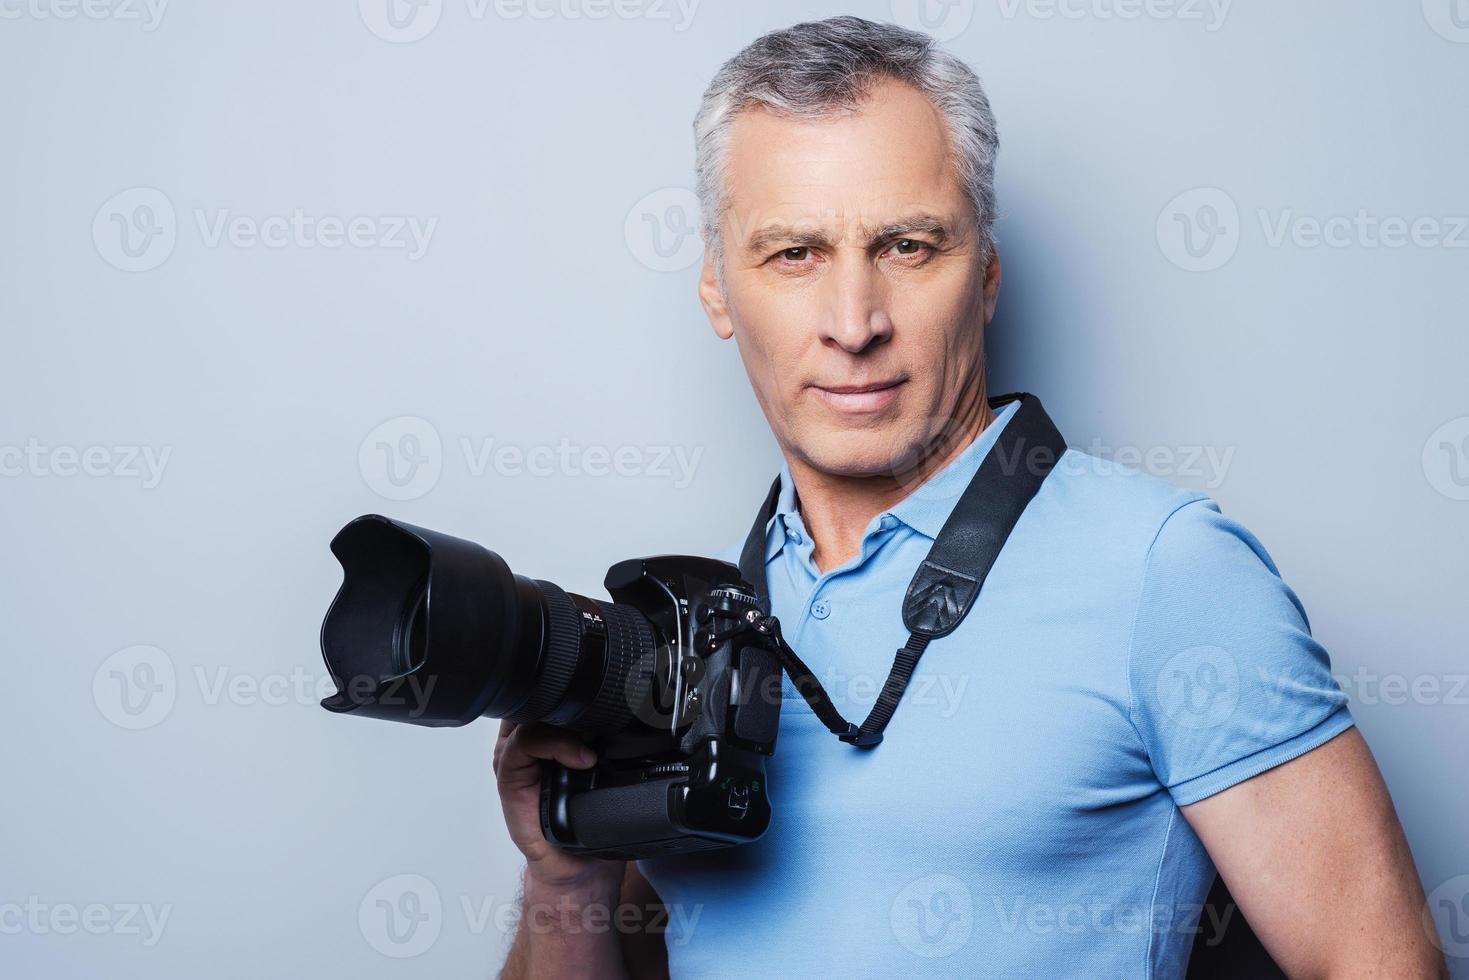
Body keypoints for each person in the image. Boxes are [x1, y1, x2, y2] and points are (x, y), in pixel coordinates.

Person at [496, 16, 1446, 978]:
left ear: (985, 270)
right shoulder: (695, 626)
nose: (853, 322)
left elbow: (1379, 963)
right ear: (715, 286)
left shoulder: (1166, 570)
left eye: (907, 246)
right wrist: (563, 884)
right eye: (794, 254)